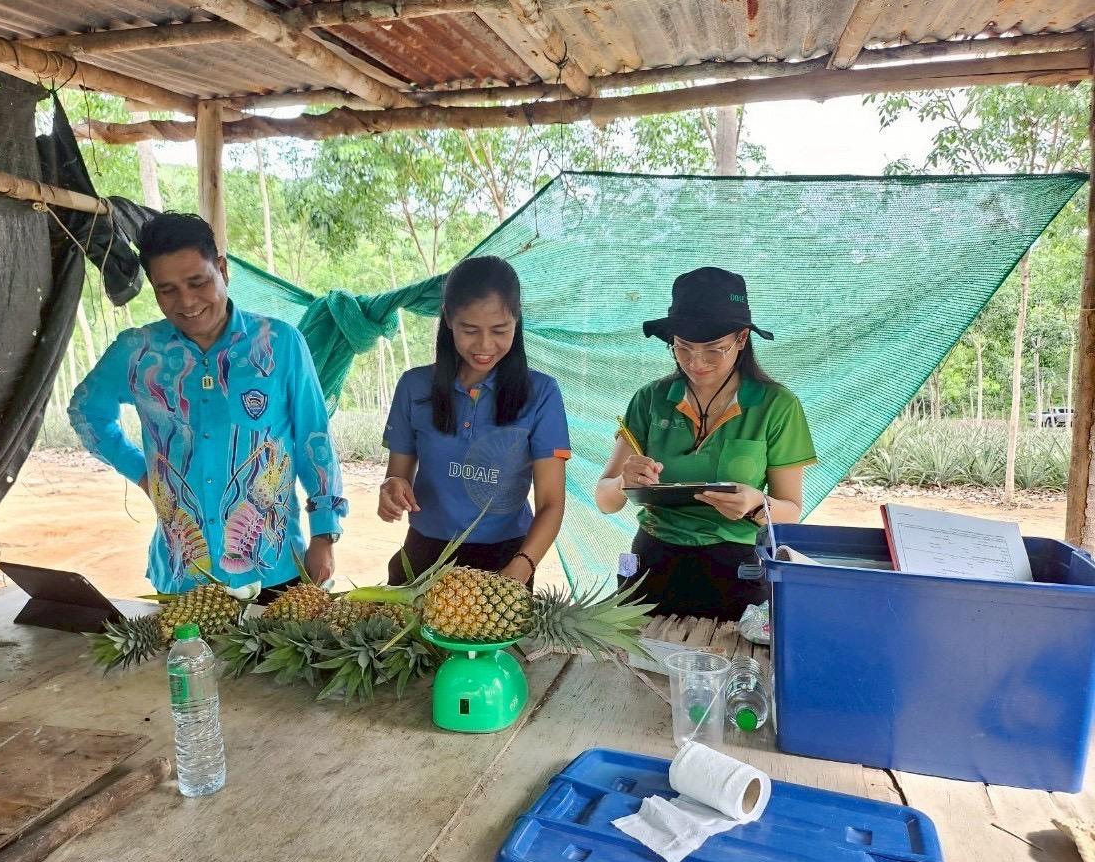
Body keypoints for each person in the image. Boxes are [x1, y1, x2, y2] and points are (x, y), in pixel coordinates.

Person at [69, 213, 346, 601]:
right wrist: (143, 474)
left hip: (275, 568)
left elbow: (313, 438)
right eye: (167, 290)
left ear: (222, 269)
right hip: (184, 573)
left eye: (197, 282)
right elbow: (86, 411)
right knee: (185, 663)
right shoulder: (138, 353)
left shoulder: (280, 344)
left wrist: (324, 533)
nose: (186, 301)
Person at [594, 266, 816, 620]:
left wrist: (757, 504)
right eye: (682, 347)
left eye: (714, 350)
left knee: (732, 668)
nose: (696, 363)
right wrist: (625, 481)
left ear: (742, 339)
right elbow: (605, 500)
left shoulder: (776, 406)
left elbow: (791, 510)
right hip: (652, 563)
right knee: (638, 669)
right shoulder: (650, 399)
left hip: (737, 570)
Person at [378, 256, 569, 588]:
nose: (484, 345)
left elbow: (551, 503)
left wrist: (521, 568)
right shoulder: (414, 386)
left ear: (516, 322)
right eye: (470, 329)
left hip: (506, 558)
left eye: (499, 330)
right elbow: (398, 473)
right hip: (424, 557)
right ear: (449, 320)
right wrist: (392, 488)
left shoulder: (542, 394)